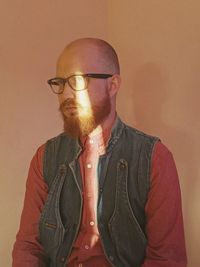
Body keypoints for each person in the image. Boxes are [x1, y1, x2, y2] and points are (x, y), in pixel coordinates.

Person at [12, 38, 187, 267]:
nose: (65, 95)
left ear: (113, 85)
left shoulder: (154, 158)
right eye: (61, 83)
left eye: (78, 80)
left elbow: (166, 259)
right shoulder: (45, 157)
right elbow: (29, 247)